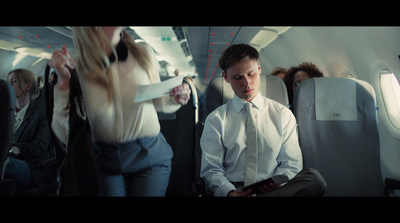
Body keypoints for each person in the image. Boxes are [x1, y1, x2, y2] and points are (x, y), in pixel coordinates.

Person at [48, 27, 191, 196]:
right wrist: (63, 84)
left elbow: (160, 103)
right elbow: (64, 133)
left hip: (149, 155)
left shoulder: (142, 52)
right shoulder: (76, 66)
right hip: (103, 161)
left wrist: (176, 99)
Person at [200, 44, 326, 197]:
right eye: (238, 78)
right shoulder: (216, 120)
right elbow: (212, 169)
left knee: (313, 178)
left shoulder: (282, 114)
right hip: (236, 190)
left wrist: (278, 183)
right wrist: (230, 192)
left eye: (251, 74)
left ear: (259, 69)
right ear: (226, 78)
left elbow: (291, 163)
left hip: (275, 189)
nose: (247, 83)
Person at [5, 69, 57, 194]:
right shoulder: (6, 112)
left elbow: (40, 146)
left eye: (14, 82)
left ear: (28, 86)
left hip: (33, 167)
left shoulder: (40, 114)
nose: (9, 86)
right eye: (8, 82)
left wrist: (12, 149)